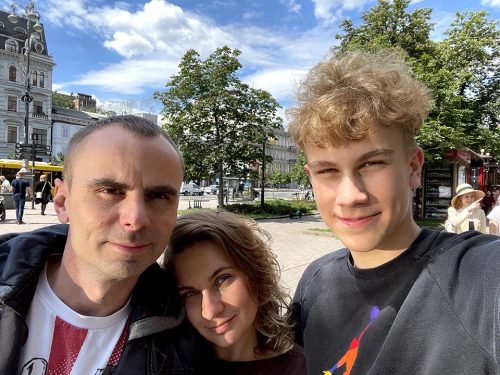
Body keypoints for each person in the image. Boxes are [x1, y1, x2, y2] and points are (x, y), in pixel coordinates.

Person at [287, 51, 500, 374]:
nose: (351, 196)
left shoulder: (479, 278)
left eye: (372, 163)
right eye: (328, 170)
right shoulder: (315, 283)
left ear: (413, 167)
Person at [0, 115, 204, 374]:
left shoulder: (189, 344)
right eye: (110, 191)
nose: (136, 219)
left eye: (159, 195)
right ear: (62, 202)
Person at [164, 210, 306, 374]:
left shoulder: (304, 368)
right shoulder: (170, 367)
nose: (210, 311)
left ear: (255, 274)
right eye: (190, 293)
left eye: (222, 279)